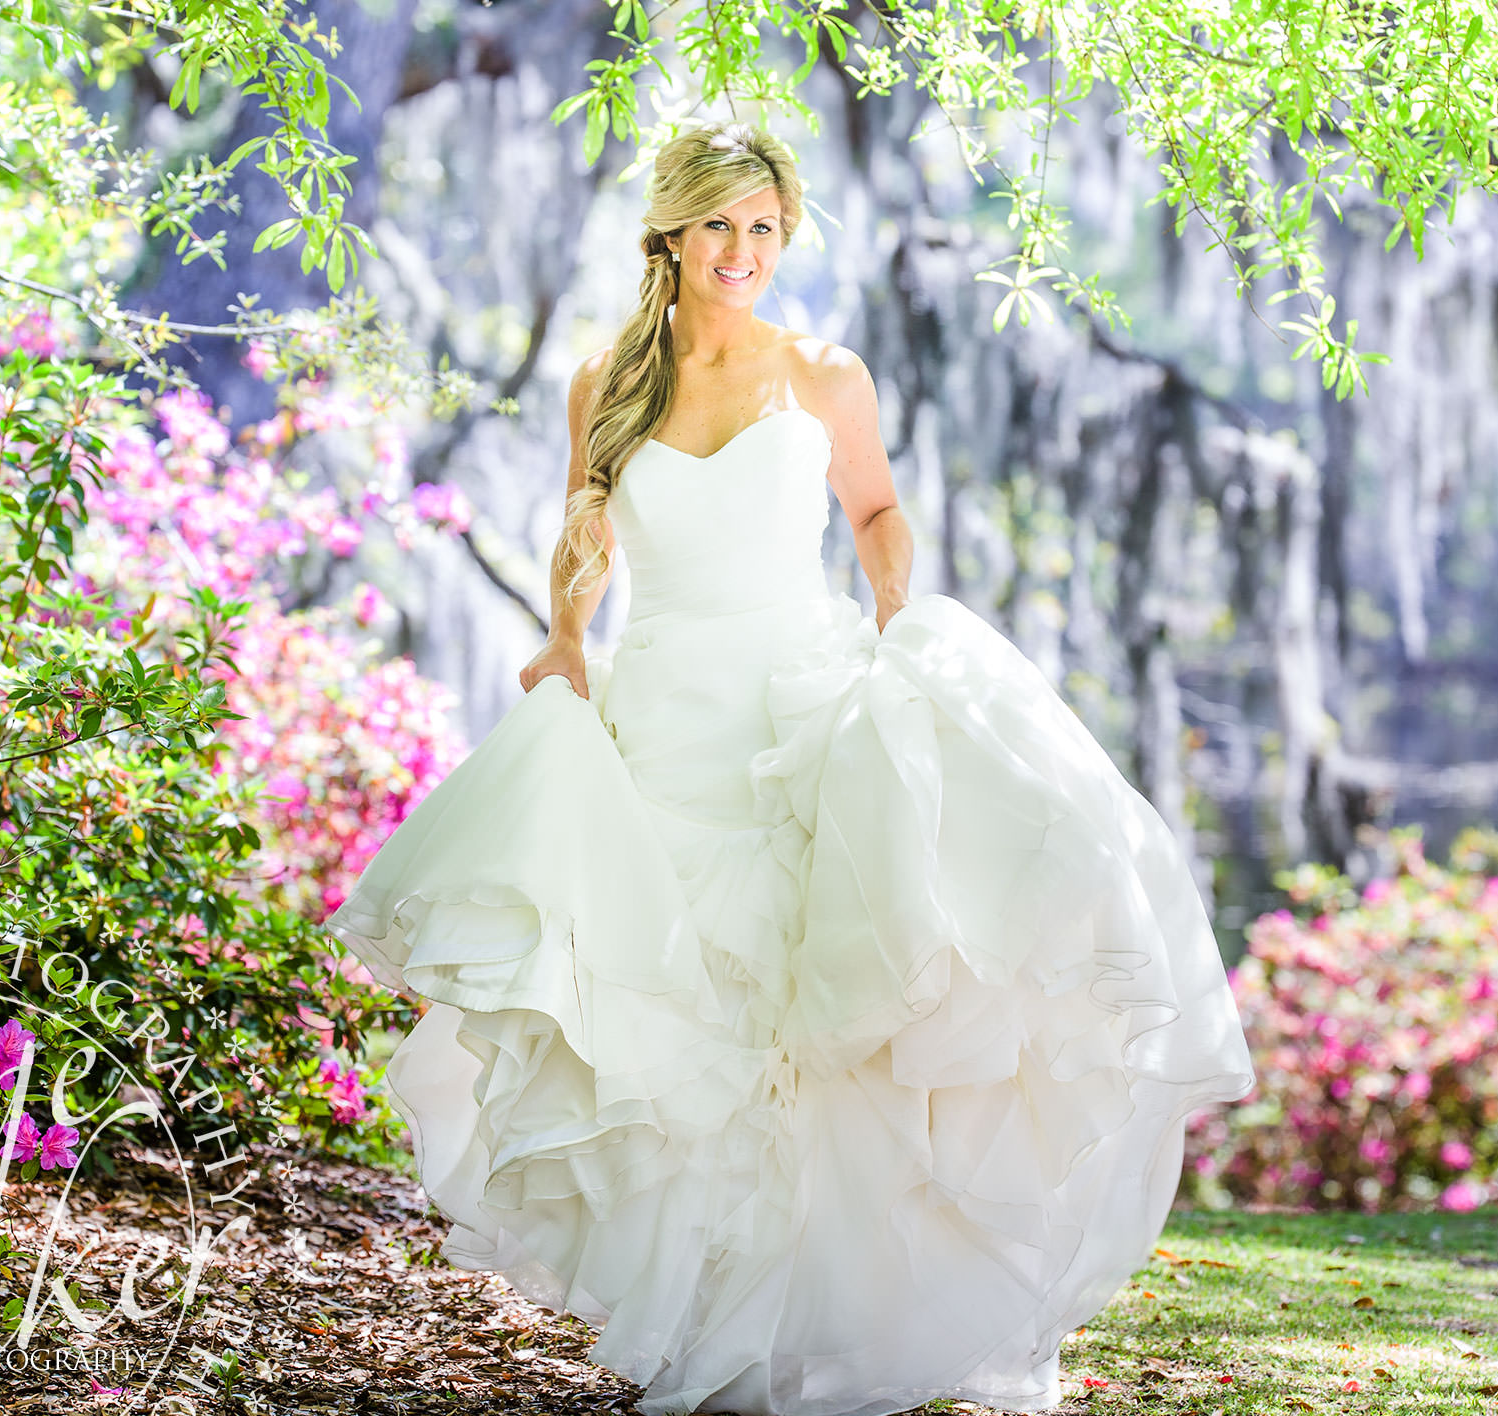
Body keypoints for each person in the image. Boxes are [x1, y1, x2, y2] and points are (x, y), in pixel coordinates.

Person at [324, 120, 1254, 1416]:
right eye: (719, 226)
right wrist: (564, 642)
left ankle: (813, 1323)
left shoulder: (824, 378)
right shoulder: (609, 381)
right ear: (671, 232)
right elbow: (584, 523)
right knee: (679, 1015)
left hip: (794, 704)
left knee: (815, 1018)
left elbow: (874, 510)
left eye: (763, 229)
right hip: (661, 718)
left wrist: (893, 614)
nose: (741, 253)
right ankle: (704, 1317)